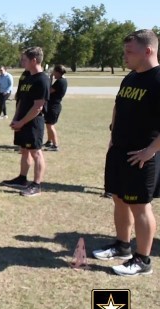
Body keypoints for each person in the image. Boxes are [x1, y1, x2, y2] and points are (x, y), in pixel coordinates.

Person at [92, 29, 160, 276]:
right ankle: (122, 246)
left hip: (141, 156)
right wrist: (112, 138)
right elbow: (117, 108)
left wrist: (150, 151)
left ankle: (143, 261)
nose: (125, 56)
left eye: (129, 52)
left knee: (140, 206)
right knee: (119, 198)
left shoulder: (158, 79)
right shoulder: (130, 78)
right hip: (119, 151)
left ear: (148, 51)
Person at [2, 47, 50, 197]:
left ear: (34, 60)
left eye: (25, 59)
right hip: (22, 121)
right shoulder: (28, 76)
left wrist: (22, 122)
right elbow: (21, 100)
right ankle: (22, 179)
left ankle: (36, 185)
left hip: (33, 122)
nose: (22, 62)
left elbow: (38, 107)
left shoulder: (42, 79)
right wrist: (16, 118)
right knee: (24, 150)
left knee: (36, 152)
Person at [44, 65, 68, 151]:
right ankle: (49, 141)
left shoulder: (60, 82)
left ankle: (55, 145)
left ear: (58, 72)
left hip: (54, 106)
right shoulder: (61, 80)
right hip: (52, 105)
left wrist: (49, 79)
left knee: (50, 125)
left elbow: (48, 90)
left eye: (54, 72)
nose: (53, 73)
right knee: (48, 124)